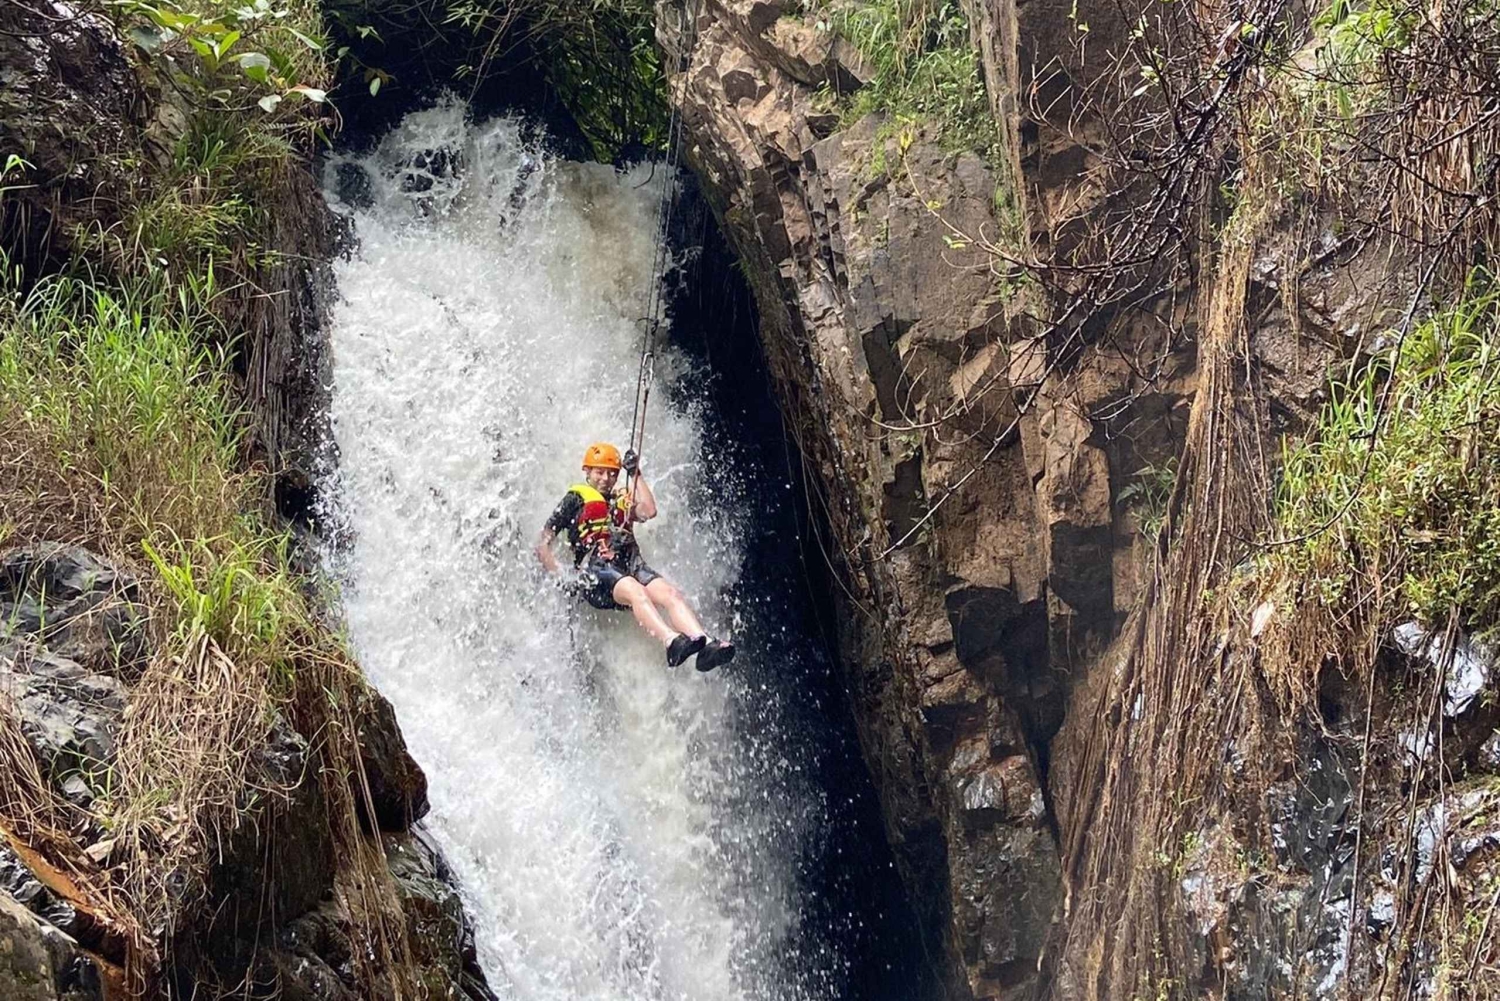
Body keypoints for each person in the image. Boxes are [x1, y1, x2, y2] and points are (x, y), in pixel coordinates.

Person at [536, 442, 735, 672]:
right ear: (587, 471)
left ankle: (705, 644)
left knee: (670, 593)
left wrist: (635, 473)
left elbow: (649, 511)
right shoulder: (575, 499)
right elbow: (542, 545)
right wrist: (563, 577)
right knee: (635, 590)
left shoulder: (621, 499)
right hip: (596, 574)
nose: (606, 479)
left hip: (630, 566)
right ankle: (670, 641)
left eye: (612, 474)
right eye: (599, 472)